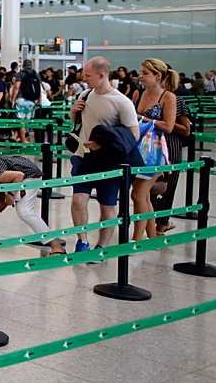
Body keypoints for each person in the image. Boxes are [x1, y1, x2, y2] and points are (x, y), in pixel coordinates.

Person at [69, 56, 140, 253]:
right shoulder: (85, 94)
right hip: (83, 157)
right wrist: (74, 111)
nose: (85, 79)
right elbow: (77, 121)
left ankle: (102, 246)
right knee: (78, 200)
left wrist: (103, 144)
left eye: (88, 75)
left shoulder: (122, 102)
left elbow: (133, 134)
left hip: (109, 162)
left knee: (107, 205)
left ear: (102, 75)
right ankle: (82, 241)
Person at [130, 58, 179, 240]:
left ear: (157, 76)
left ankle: (136, 238)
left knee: (138, 194)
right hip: (137, 148)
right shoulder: (138, 94)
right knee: (142, 196)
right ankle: (152, 235)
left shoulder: (168, 97)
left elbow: (168, 126)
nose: (140, 76)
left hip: (155, 151)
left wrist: (143, 119)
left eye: (145, 73)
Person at [12, 59, 42, 143]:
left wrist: (13, 100)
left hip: (21, 99)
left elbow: (16, 87)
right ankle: (25, 139)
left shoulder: (20, 74)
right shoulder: (35, 74)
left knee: (21, 121)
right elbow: (39, 89)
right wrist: (39, 101)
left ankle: (23, 141)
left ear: (23, 66)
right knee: (26, 121)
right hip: (31, 101)